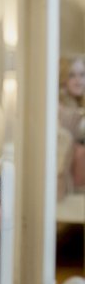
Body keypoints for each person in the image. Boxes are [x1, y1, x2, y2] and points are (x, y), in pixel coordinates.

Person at [57, 54, 85, 197]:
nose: (79, 80)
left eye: (82, 75)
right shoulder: (60, 106)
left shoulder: (78, 103)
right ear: (63, 80)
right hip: (72, 163)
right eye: (72, 76)